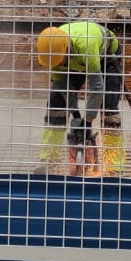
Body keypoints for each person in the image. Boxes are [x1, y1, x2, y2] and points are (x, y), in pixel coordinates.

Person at [34, 21, 123, 175]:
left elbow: (97, 86)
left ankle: (114, 167)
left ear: (66, 49)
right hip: (74, 61)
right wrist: (76, 117)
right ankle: (50, 161)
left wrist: (86, 122)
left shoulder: (85, 46)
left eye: (58, 62)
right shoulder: (52, 54)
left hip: (105, 57)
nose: (55, 65)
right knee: (56, 107)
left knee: (110, 111)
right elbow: (64, 89)